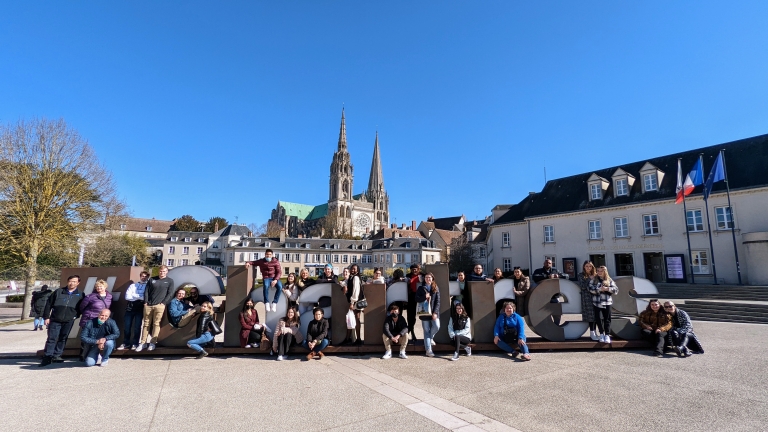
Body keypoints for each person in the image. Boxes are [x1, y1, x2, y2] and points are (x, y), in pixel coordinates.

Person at [39, 275, 84, 367]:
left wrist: (76, 316)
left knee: (63, 338)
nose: (72, 283)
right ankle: (48, 356)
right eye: (71, 281)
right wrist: (46, 317)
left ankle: (57, 355)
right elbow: (48, 304)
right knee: (52, 338)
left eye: (75, 281)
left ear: (78, 283)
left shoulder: (80, 294)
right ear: (67, 281)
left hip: (68, 320)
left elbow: (82, 307)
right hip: (55, 319)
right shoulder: (58, 292)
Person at [137, 265, 174, 352]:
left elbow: (170, 293)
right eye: (161, 271)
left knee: (156, 324)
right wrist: (145, 302)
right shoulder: (152, 279)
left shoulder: (169, 281)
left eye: (164, 271)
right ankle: (143, 343)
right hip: (148, 305)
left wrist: (163, 303)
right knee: (146, 324)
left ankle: (152, 342)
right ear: (159, 271)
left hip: (159, 306)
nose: (162, 273)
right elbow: (146, 291)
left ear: (167, 272)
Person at [588, 266, 618, 344]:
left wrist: (607, 289)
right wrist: (599, 289)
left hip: (607, 302)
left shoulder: (609, 280)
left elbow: (616, 290)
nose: (599, 272)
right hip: (597, 302)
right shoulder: (594, 280)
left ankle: (607, 335)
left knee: (607, 319)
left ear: (605, 271)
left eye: (601, 271)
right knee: (598, 319)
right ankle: (601, 333)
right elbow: (590, 289)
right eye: (598, 271)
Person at [119, 271, 148, 350]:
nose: (143, 277)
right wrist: (139, 296)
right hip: (130, 308)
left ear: (147, 277)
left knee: (137, 327)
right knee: (127, 326)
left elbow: (145, 298)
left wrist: (134, 295)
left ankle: (135, 343)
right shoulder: (133, 285)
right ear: (140, 276)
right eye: (142, 276)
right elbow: (127, 297)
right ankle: (126, 343)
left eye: (145, 276)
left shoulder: (148, 286)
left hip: (140, 308)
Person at [417, 272, 440, 357]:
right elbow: (416, 298)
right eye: (426, 277)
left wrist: (435, 312)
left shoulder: (436, 288)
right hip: (424, 312)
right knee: (426, 331)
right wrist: (424, 296)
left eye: (429, 277)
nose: (428, 279)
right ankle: (428, 350)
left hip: (434, 312)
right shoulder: (421, 288)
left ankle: (430, 338)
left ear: (432, 278)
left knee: (437, 326)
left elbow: (438, 301)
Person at [343, 264, 365, 346]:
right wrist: (344, 285)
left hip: (355, 302)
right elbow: (345, 283)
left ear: (358, 270)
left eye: (354, 269)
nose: (352, 270)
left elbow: (356, 291)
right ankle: (352, 338)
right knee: (353, 319)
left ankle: (358, 339)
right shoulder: (352, 277)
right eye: (352, 269)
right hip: (354, 302)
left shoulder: (355, 278)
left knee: (356, 319)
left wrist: (352, 303)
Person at [577, 261, 598, 340]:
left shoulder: (596, 275)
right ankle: (592, 332)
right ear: (584, 267)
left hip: (596, 297)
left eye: (590, 266)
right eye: (587, 266)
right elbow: (582, 286)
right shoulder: (580, 275)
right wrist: (589, 279)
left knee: (597, 315)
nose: (588, 268)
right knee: (590, 316)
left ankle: (596, 332)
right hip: (587, 297)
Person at [405, 264, 421, 341]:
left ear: (418, 269)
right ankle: (411, 332)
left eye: (415, 269)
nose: (414, 271)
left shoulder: (422, 275)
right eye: (412, 269)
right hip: (411, 298)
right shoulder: (408, 276)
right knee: (411, 317)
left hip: (420, 298)